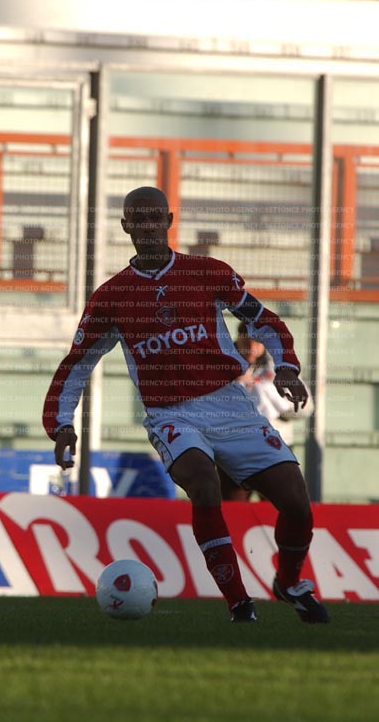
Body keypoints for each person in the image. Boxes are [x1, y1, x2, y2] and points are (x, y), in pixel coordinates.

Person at [43, 186, 329, 624]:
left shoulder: (206, 272)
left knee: (296, 502)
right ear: (125, 226)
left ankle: (289, 582)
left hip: (229, 405)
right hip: (171, 413)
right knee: (203, 482)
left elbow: (262, 320)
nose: (148, 226)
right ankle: (239, 604)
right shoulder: (112, 296)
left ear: (169, 221)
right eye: (138, 219)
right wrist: (61, 424)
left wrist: (287, 368)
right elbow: (77, 363)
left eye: (155, 217)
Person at [219, 323, 314, 501]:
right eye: (247, 343)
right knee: (233, 507)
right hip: (235, 449)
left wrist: (279, 405)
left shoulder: (279, 367)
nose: (252, 349)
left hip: (275, 446)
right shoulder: (221, 364)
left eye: (257, 343)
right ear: (238, 338)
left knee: (281, 505)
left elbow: (306, 408)